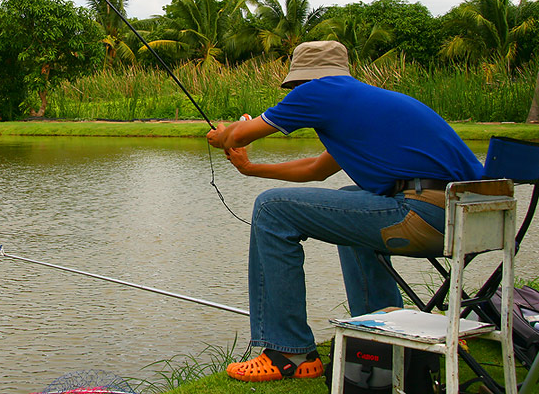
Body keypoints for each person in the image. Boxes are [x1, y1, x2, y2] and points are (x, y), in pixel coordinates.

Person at [206, 40, 483, 383]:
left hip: (425, 215)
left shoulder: (319, 92)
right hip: (469, 220)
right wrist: (252, 169)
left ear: (304, 80)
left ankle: (288, 352)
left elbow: (240, 134)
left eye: (295, 86)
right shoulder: (362, 104)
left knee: (271, 207)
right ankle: (379, 330)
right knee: (352, 195)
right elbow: (317, 169)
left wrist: (226, 135)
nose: (295, 92)